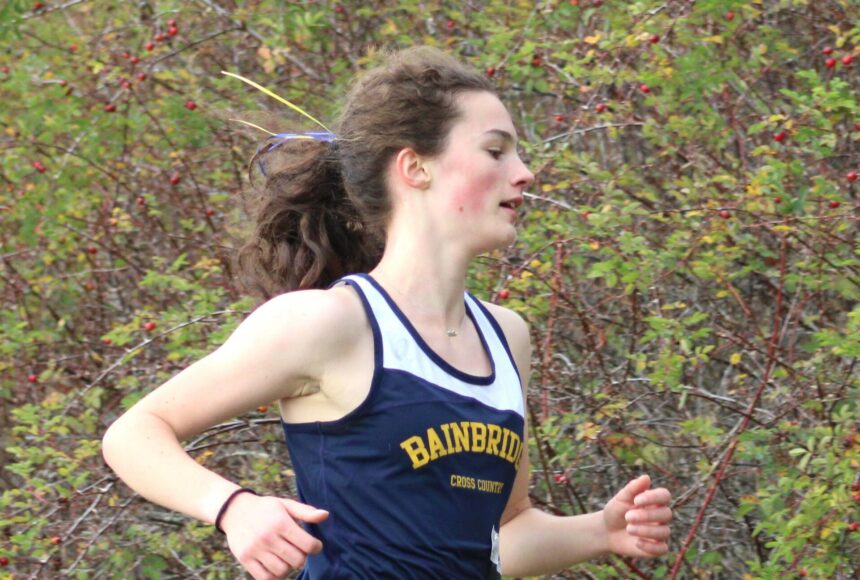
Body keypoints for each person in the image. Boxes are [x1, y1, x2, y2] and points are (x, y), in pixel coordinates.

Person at [102, 45, 672, 579]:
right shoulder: (328, 323)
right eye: (496, 151)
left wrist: (599, 531)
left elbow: (504, 533)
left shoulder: (506, 337)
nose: (524, 172)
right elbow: (134, 433)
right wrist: (233, 507)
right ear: (415, 168)